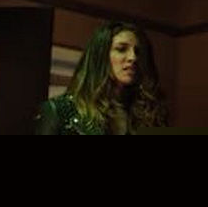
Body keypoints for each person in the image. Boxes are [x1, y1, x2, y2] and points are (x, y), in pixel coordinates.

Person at [35, 21, 168, 135]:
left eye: (137, 52)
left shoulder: (148, 113)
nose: (133, 57)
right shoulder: (60, 111)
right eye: (121, 49)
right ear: (100, 56)